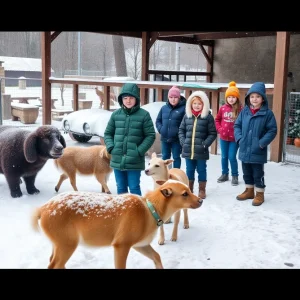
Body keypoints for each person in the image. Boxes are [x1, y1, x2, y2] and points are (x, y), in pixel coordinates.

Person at [104, 82, 156, 196]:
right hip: (117, 158)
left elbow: (150, 135)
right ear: (121, 99)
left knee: (134, 188)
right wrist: (111, 147)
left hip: (134, 160)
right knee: (120, 187)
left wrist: (139, 151)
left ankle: (138, 212)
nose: (128, 101)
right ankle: (123, 213)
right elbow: (108, 133)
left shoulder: (144, 115)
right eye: (125, 98)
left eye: (131, 98)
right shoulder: (115, 115)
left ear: (136, 99)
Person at [234, 82, 277, 206]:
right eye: (252, 97)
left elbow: (272, 130)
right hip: (244, 148)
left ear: (263, 98)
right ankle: (249, 191)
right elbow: (237, 125)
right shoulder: (244, 112)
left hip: (258, 150)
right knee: (246, 171)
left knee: (258, 173)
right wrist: (239, 139)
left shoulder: (268, 114)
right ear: (248, 98)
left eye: (257, 96)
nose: (254, 99)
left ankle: (259, 193)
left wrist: (261, 143)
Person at [178, 91, 217, 199]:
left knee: (201, 170)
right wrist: (183, 141)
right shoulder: (187, 116)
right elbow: (181, 130)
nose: (196, 106)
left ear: (204, 105)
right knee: (189, 170)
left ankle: (202, 189)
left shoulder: (208, 117)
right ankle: (189, 189)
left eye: (199, 104)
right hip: (188, 150)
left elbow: (212, 133)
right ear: (190, 104)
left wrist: (205, 144)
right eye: (194, 103)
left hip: (201, 151)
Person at [215, 81, 242, 186]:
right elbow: (217, 120)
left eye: (233, 97)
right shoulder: (222, 108)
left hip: (234, 139)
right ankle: (224, 174)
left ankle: (235, 175)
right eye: (229, 97)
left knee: (232, 157)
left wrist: (239, 134)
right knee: (224, 157)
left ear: (237, 98)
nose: (231, 99)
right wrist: (220, 129)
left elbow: (243, 123)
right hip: (223, 138)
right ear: (226, 98)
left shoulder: (240, 109)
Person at [155, 86, 186, 169]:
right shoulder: (164, 108)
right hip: (165, 138)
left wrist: (179, 133)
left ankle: (176, 173)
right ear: (168, 97)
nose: (173, 99)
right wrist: (161, 129)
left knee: (176, 157)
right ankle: (167, 174)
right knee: (165, 157)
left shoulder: (184, 109)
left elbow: (186, 123)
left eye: (175, 97)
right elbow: (158, 120)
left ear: (179, 98)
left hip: (176, 139)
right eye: (171, 97)